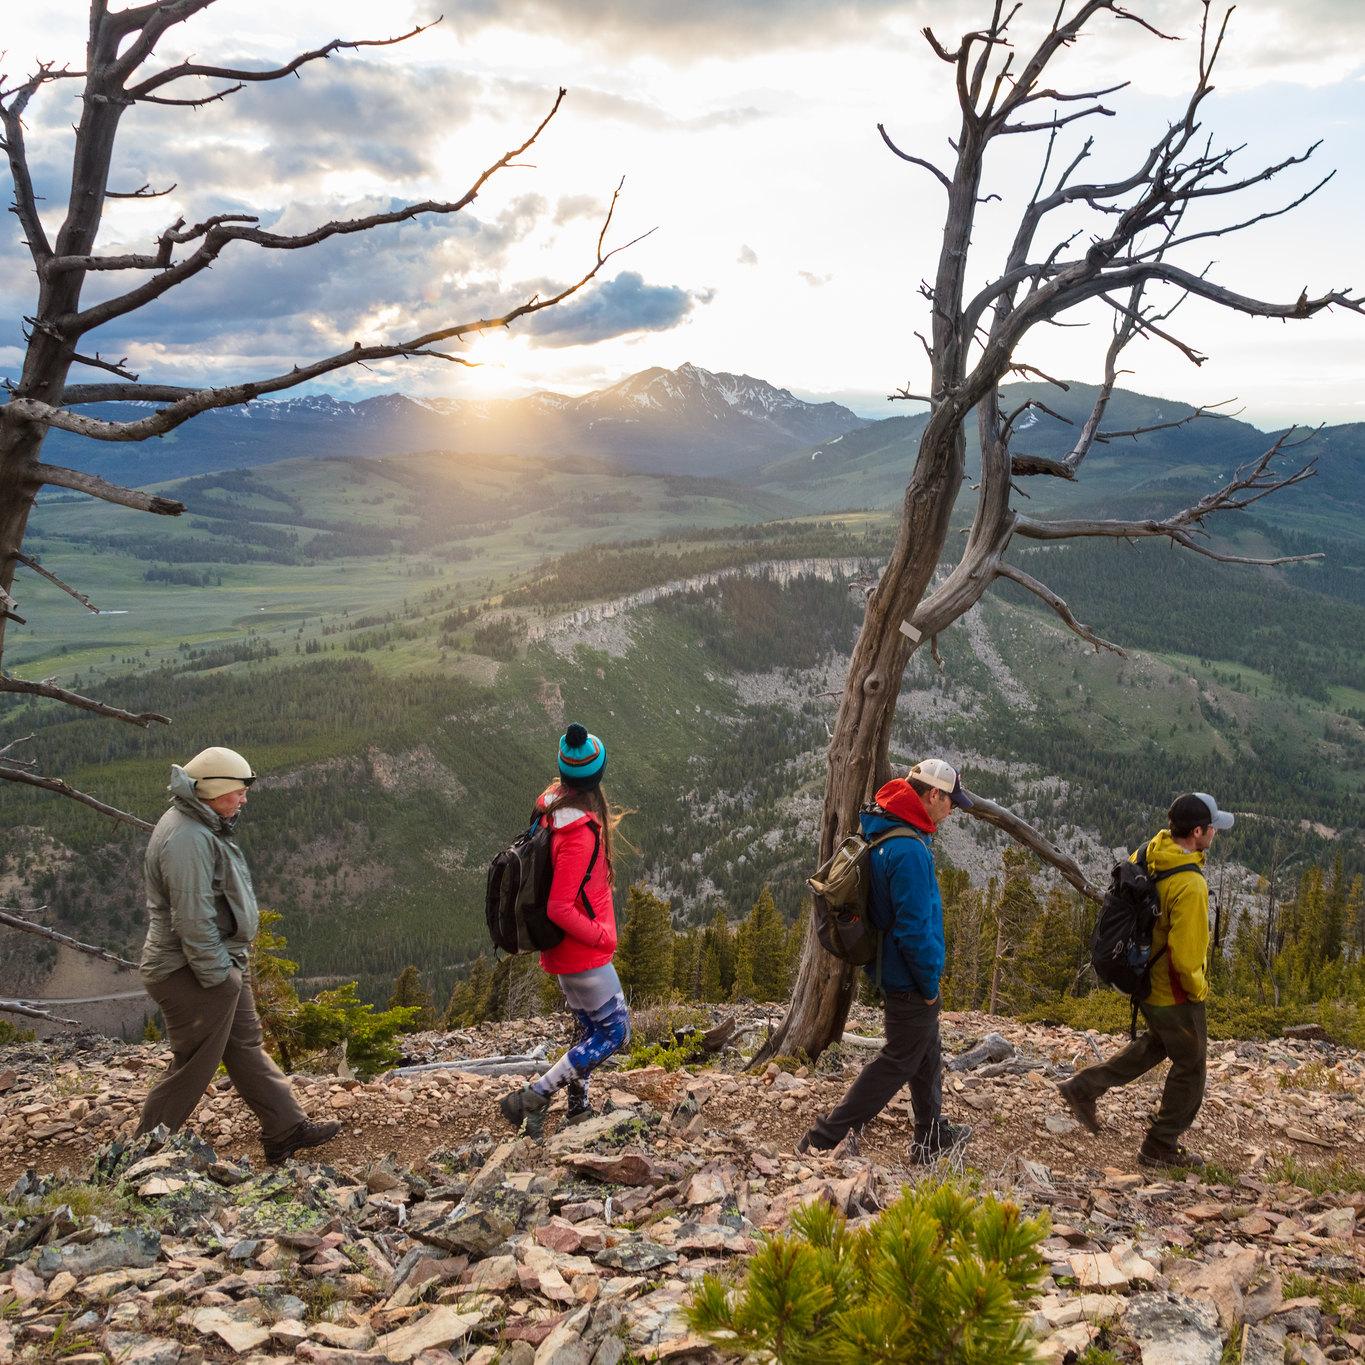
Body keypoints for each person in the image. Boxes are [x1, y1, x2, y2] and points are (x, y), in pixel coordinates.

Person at [137, 746, 341, 1164]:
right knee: (194, 1064)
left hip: (217, 961)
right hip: (190, 970)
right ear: (211, 790)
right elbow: (192, 920)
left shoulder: (201, 823)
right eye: (237, 790)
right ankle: (141, 1152)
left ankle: (285, 1127)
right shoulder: (188, 838)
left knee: (244, 1045)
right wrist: (220, 977)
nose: (244, 798)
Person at [798, 758, 973, 1163]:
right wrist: (929, 986)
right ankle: (823, 1138)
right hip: (908, 977)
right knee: (896, 1062)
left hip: (891, 967)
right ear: (933, 795)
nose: (953, 811)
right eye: (951, 803)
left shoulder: (883, 826)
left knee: (926, 1054)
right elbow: (915, 929)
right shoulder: (909, 850)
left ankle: (930, 1138)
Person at [1058, 792, 1234, 1169]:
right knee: (1192, 1064)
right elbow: (1186, 958)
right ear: (1198, 832)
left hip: (1144, 981)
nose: (1216, 834)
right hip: (1172, 992)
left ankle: (1084, 1087)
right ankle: (1160, 1145)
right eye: (1213, 828)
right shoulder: (1191, 885)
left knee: (1158, 1045)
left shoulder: (1153, 850)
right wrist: (1199, 991)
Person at [499, 723, 630, 1139]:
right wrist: (601, 935)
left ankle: (578, 1107)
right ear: (597, 778)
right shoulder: (579, 833)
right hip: (582, 953)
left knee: (588, 1030)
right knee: (616, 1031)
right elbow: (559, 906)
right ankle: (533, 1097)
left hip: (563, 954)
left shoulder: (552, 813)